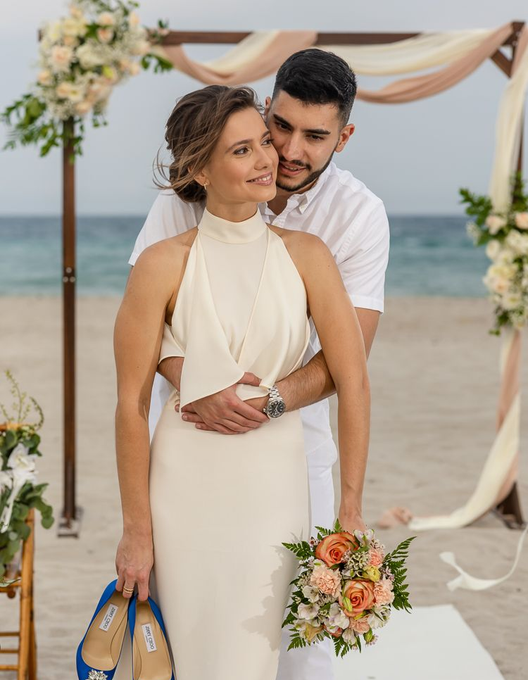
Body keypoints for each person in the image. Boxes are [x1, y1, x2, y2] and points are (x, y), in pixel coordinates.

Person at [128, 48, 389, 680]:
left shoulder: (351, 220)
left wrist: (265, 403)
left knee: (302, 647)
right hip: (188, 450)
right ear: (267, 109)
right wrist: (200, 386)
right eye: (280, 127)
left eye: (316, 136)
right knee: (184, 635)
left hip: (296, 450)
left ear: (344, 136)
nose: (287, 151)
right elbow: (143, 335)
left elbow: (347, 363)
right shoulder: (178, 210)